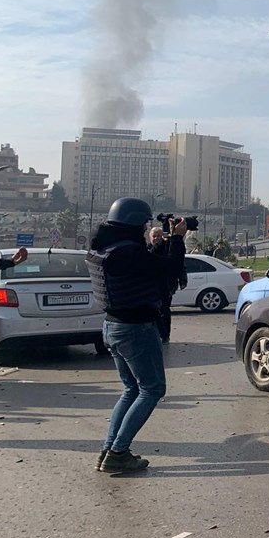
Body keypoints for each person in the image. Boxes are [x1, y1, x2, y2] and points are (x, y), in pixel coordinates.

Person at [86, 198, 187, 474]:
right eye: (143, 225)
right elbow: (170, 268)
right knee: (152, 389)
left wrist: (163, 241)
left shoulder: (105, 248)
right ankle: (119, 452)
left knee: (131, 390)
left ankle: (108, 450)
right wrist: (178, 239)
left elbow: (146, 264)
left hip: (112, 326)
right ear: (133, 224)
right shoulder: (127, 253)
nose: (144, 230)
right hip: (135, 329)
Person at [147, 227, 187, 344]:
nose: (156, 239)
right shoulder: (146, 250)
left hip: (167, 286)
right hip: (151, 287)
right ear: (150, 237)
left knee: (164, 310)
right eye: (154, 236)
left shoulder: (169, 249)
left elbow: (179, 265)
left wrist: (182, 280)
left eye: (159, 236)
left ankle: (165, 335)